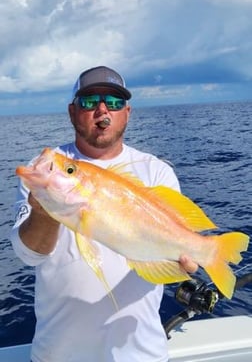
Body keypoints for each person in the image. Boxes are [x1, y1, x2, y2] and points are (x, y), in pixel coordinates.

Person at [11, 66, 198, 362]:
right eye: (89, 102)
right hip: (57, 354)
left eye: (114, 102)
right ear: (72, 112)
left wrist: (188, 258)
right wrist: (44, 209)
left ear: (127, 112)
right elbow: (28, 255)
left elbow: (170, 258)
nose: (102, 110)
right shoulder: (45, 169)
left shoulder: (156, 172)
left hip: (140, 354)